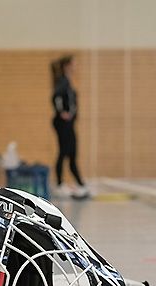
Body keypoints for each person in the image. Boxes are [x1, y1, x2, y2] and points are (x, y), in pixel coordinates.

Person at [51, 55, 89, 198]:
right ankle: (60, 184)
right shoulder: (62, 81)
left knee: (72, 153)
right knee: (64, 152)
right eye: (73, 64)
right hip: (63, 123)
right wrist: (62, 113)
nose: (75, 67)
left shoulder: (67, 81)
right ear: (67, 65)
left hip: (69, 123)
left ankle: (81, 184)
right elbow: (55, 97)